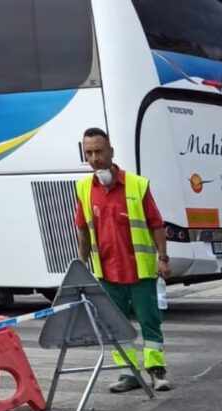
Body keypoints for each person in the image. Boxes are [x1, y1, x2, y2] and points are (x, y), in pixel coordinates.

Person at [73, 128, 171, 392]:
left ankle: (156, 370)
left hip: (139, 271)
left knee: (150, 321)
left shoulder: (137, 185)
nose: (94, 159)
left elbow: (156, 225)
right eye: (88, 153)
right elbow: (82, 229)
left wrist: (162, 258)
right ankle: (128, 374)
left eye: (98, 151)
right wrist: (83, 264)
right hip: (107, 273)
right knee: (115, 325)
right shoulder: (83, 188)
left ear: (111, 152)